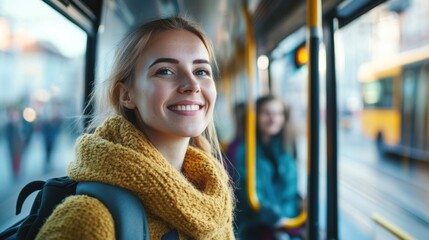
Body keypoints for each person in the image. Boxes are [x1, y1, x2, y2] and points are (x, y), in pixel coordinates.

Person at [35, 17, 234, 240]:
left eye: (201, 71)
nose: (192, 85)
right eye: (165, 71)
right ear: (127, 95)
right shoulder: (88, 217)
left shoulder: (210, 191)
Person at [235, 95, 301, 240]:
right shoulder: (245, 151)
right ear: (255, 116)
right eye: (267, 113)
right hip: (256, 224)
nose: (273, 119)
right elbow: (250, 194)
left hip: (287, 221)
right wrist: (275, 216)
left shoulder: (287, 149)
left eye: (278, 113)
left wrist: (285, 216)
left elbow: (290, 192)